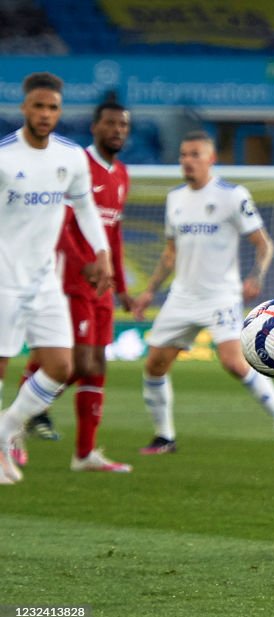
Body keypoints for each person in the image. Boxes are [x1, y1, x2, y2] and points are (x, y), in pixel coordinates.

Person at [131, 130, 274, 455]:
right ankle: (165, 437)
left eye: (195, 154)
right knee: (154, 365)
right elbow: (169, 253)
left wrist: (256, 276)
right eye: (183, 155)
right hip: (182, 297)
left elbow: (263, 244)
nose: (187, 161)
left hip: (221, 296)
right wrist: (149, 291)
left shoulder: (232, 195)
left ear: (211, 159)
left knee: (235, 363)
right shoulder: (175, 198)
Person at [0, 72, 114, 484]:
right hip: (4, 279)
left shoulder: (69, 157)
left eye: (52, 108)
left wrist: (101, 253)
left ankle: (6, 429)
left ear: (59, 111)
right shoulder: (4, 157)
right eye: (38, 106)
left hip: (45, 280)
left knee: (61, 367)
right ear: (24, 108)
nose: (45, 114)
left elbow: (85, 208)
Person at [14, 102, 136, 473]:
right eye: (110, 123)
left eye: (123, 125)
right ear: (95, 127)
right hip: (71, 279)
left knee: (96, 365)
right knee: (76, 362)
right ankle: (17, 422)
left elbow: (111, 231)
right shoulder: (76, 165)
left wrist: (118, 281)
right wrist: (81, 262)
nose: (117, 130)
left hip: (100, 283)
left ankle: (84, 454)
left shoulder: (122, 174)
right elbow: (63, 224)